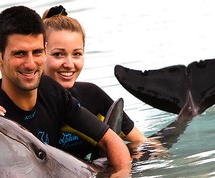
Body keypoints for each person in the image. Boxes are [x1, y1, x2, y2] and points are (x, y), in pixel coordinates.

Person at [0, 5, 131, 178]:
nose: (31, 64)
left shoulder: (51, 90)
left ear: (45, 49)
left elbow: (111, 141)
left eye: (37, 52)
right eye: (20, 54)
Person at [41, 5, 165, 160]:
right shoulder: (25, 106)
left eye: (77, 54)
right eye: (58, 54)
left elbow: (141, 141)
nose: (69, 63)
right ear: (40, 54)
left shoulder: (91, 95)